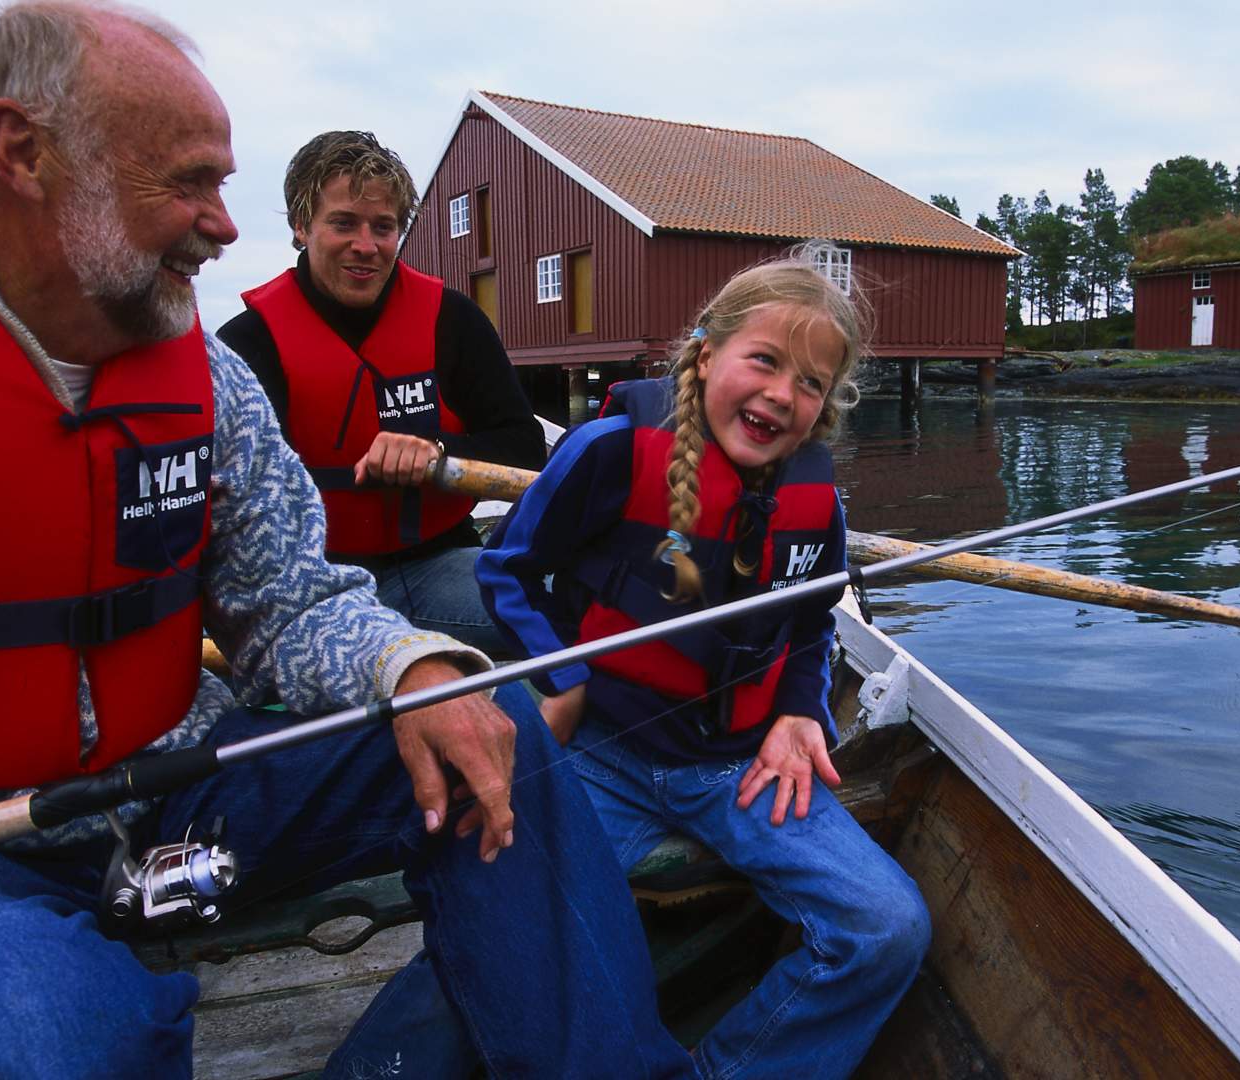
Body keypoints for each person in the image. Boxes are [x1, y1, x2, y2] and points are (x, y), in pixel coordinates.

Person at [0, 4, 692, 1077]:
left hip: (178, 791)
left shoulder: (201, 374)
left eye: (222, 186)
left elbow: (291, 597)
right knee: (49, 1034)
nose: (222, 226)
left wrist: (407, 661)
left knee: (485, 720)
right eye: (187, 183)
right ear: (23, 152)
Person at [355, 249, 932, 1079]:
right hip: (600, 756)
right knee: (492, 935)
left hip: (740, 770)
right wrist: (563, 674)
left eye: (810, 382)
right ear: (707, 355)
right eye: (763, 360)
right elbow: (507, 571)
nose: (781, 393)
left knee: (887, 929)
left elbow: (811, 624)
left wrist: (802, 711)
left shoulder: (817, 504)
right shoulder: (610, 451)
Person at [217, 131, 543, 658]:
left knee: (569, 606)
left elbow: (525, 448)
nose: (366, 246)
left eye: (383, 227)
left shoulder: (452, 320)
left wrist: (438, 452)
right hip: (317, 588)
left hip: (440, 565)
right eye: (343, 223)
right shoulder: (247, 344)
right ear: (301, 227)